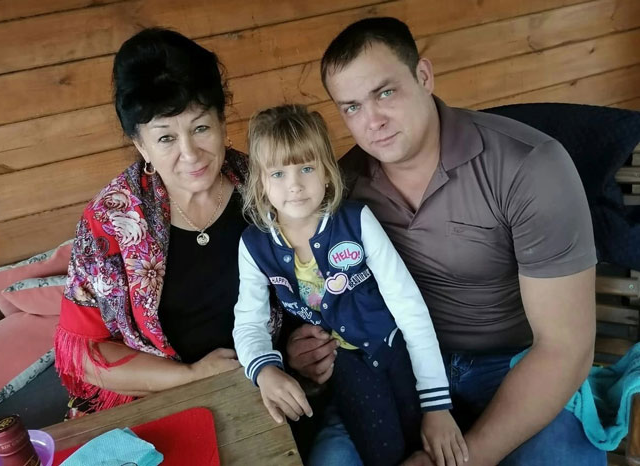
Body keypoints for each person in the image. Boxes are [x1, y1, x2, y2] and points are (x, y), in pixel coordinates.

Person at [286, 17, 604, 466]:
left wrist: (462, 460)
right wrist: (306, 349)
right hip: (397, 362)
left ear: (423, 76)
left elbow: (565, 348)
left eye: (385, 93)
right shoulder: (342, 187)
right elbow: (321, 289)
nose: (373, 121)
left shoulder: (529, 166)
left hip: (515, 363)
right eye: (352, 107)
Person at [53, 27, 284, 415]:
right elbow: (85, 352)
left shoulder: (266, 186)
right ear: (141, 144)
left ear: (223, 123)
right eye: (165, 138)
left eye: (200, 128)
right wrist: (192, 376)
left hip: (273, 381)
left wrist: (299, 342)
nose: (190, 153)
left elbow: (308, 282)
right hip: (165, 400)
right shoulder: (110, 221)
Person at [233, 104, 467, 466]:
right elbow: (249, 321)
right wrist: (264, 370)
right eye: (278, 173)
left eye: (306, 168)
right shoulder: (254, 245)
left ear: (327, 173)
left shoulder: (357, 221)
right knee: (385, 452)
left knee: (429, 437)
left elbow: (408, 305)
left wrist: (437, 404)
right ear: (261, 183)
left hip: (395, 347)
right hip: (344, 366)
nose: (294, 185)